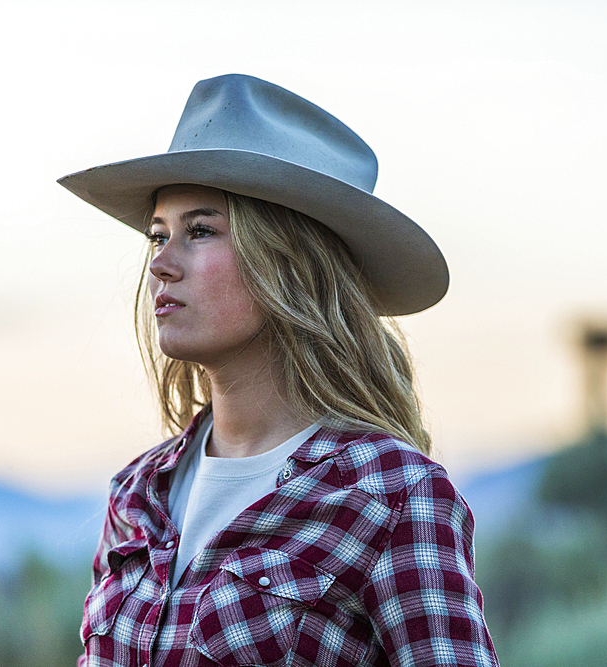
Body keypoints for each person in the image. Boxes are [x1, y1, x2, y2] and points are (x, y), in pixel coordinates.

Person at [59, 74, 499, 667]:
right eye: (158, 235)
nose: (160, 263)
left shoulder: (394, 497)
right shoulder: (137, 496)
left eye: (201, 231)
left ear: (289, 264)